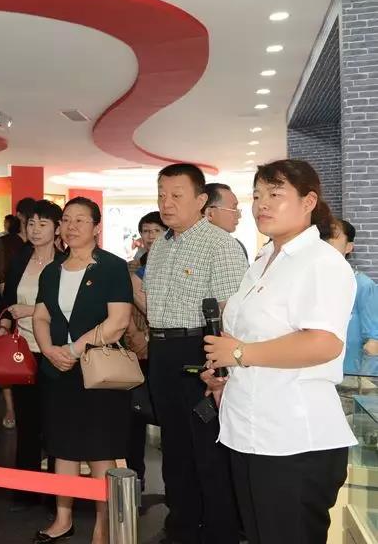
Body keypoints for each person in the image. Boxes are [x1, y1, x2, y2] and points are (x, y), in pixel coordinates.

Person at [201, 159, 357, 544]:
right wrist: (226, 370)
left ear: (308, 202)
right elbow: (252, 339)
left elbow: (323, 342)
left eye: (275, 194)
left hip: (294, 439)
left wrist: (239, 354)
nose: (262, 204)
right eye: (256, 196)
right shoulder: (262, 262)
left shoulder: (322, 262)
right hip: (247, 429)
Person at [133, 163, 247, 544]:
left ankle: (219, 531)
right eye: (161, 195)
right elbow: (156, 306)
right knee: (174, 447)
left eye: (176, 195)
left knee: (208, 449)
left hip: (202, 352)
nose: (166, 203)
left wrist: (221, 368)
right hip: (162, 352)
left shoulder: (220, 245)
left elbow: (232, 315)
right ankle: (181, 526)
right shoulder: (160, 247)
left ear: (201, 200)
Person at [31, 197, 132, 544]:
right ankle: (63, 519)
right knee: (63, 448)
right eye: (66, 219)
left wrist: (73, 350)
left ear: (96, 227)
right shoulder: (52, 270)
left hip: (98, 372)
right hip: (58, 370)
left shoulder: (112, 267)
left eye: (80, 220)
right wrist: (48, 350)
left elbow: (118, 322)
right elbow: (40, 316)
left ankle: (103, 524)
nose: (71, 226)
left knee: (100, 449)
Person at [0, 200, 63, 511]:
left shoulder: (64, 263)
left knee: (55, 423)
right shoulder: (21, 258)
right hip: (23, 353)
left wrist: (31, 310)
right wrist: (5, 324)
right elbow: (8, 300)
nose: (35, 230)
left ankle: (57, 492)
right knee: (26, 423)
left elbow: (68, 308)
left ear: (57, 229)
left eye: (43, 224)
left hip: (55, 351)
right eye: (31, 223)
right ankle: (26, 490)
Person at [124, 211, 165, 492]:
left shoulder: (172, 265)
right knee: (134, 417)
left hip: (164, 348)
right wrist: (135, 336)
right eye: (146, 231)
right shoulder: (131, 269)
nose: (150, 237)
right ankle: (134, 480)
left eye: (156, 231)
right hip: (136, 350)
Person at [325, 218, 378, 375]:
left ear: (349, 247)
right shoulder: (310, 282)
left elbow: (373, 343)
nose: (326, 241)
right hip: (315, 375)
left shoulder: (363, 285)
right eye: (323, 236)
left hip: (349, 376)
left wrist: (363, 381)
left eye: (333, 236)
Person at [204, 183, 247, 259]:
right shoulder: (228, 246)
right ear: (210, 214)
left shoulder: (237, 246)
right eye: (233, 208)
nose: (239, 215)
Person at [128, 211, 166, 278]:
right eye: (146, 231)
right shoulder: (139, 255)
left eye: (157, 230)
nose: (151, 236)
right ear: (141, 234)